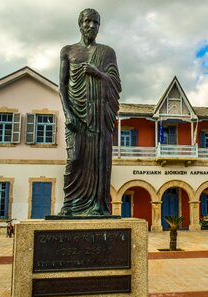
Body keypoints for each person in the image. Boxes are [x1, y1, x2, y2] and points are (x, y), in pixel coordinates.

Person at [58, 8, 121, 216]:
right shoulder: (68, 51)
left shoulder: (107, 52)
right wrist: (68, 113)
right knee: (74, 159)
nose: (91, 26)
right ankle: (69, 206)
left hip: (99, 117)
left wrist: (98, 73)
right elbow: (62, 85)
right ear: (80, 23)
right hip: (75, 116)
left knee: (98, 163)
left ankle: (97, 206)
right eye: (87, 21)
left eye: (96, 23)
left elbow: (115, 84)